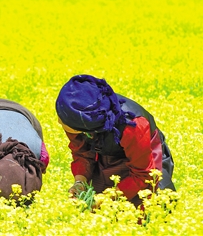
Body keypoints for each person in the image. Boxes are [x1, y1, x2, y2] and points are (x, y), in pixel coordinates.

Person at [56, 74, 175, 206]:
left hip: (145, 162)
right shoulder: (78, 117)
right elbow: (82, 153)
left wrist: (105, 199)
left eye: (63, 120)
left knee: (147, 209)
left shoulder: (133, 125)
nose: (59, 121)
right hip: (107, 157)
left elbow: (143, 174)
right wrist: (80, 182)